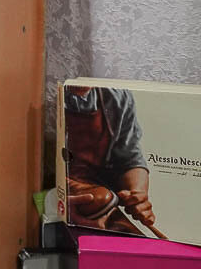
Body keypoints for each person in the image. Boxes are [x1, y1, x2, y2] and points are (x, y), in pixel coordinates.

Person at [63, 85, 154, 235]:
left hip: (100, 196)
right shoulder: (43, 91)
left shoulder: (117, 96)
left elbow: (130, 158)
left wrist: (137, 196)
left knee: (137, 239)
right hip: (58, 193)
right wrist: (58, 202)